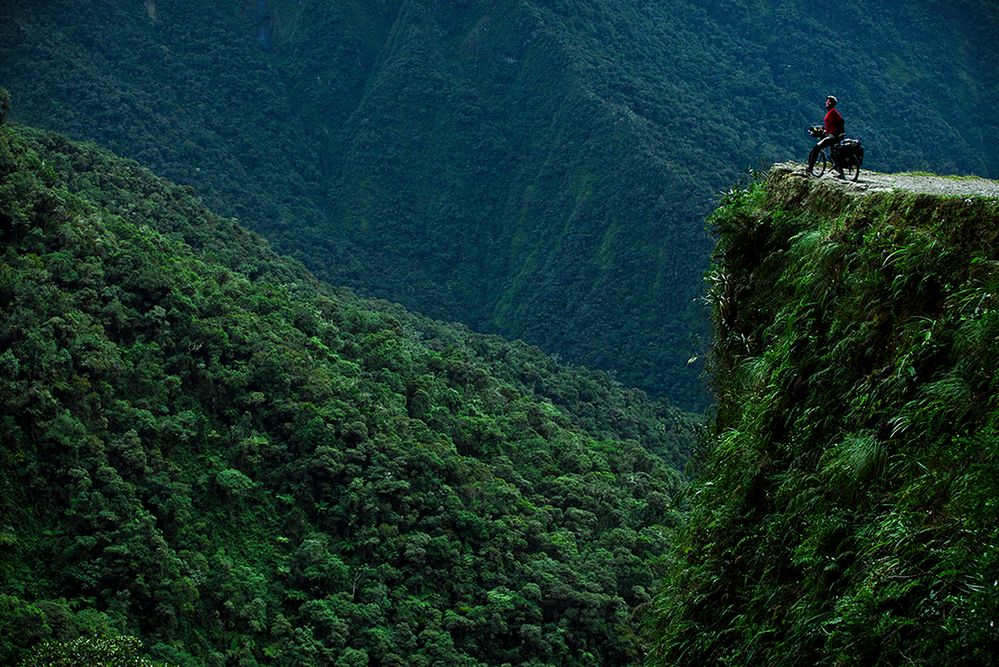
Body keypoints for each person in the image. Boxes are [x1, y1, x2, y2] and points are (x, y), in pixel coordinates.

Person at [807, 95, 845, 176]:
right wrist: (824, 130)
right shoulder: (830, 112)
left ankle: (810, 168)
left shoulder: (833, 112)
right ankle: (841, 173)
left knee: (817, 148)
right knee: (833, 154)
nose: (826, 103)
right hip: (830, 134)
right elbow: (831, 124)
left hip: (832, 136)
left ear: (831, 103)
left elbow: (841, 121)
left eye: (828, 101)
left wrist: (836, 132)